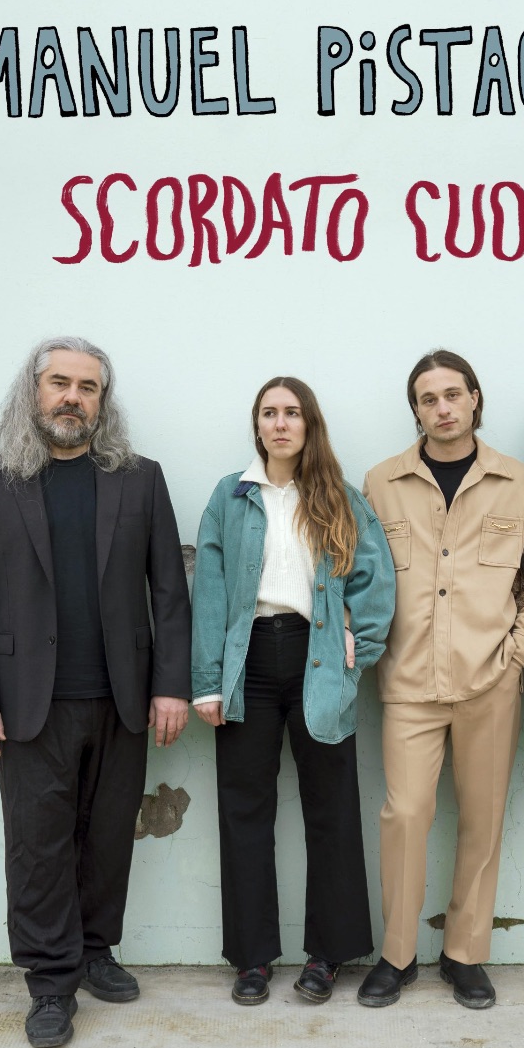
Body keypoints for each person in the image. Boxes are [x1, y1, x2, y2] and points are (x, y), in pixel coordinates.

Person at [0, 336, 191, 1048]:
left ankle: (94, 950)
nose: (72, 398)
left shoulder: (140, 481)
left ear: (102, 402)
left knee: (108, 835)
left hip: (122, 695)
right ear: (34, 391)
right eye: (59, 382)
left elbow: (169, 594)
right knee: (39, 844)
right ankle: (50, 982)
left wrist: (171, 686)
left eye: (87, 387)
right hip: (27, 702)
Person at [357, 350, 524, 1009]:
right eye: (427, 399)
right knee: (404, 815)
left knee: (482, 819)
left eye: (452, 394)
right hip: (408, 682)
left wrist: (518, 651)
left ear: (474, 399)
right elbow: (359, 573)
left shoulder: (516, 481)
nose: (441, 408)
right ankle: (396, 955)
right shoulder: (382, 482)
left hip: (489, 679)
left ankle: (465, 954)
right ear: (415, 410)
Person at [192, 376, 395, 1005]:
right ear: (257, 425)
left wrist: (359, 650)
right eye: (269, 413)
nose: (281, 423)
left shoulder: (340, 496)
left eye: (293, 413)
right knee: (244, 810)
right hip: (246, 661)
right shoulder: (231, 495)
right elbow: (209, 591)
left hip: (319, 657)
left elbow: (375, 576)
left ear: (310, 424)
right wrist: (206, 682)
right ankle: (251, 958)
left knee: (332, 808)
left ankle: (328, 954)